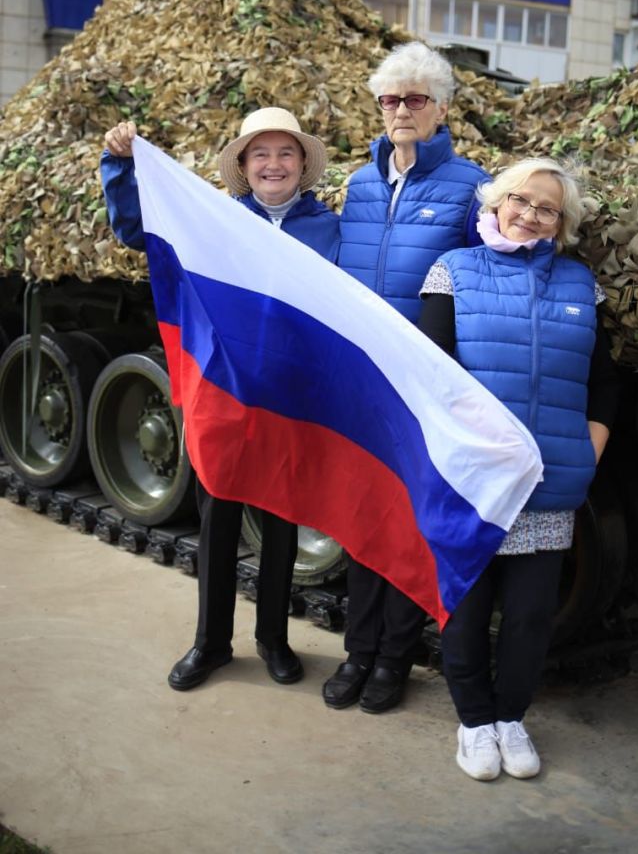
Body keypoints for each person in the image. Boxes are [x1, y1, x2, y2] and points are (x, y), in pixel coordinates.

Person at [100, 107, 339, 691]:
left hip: (291, 396)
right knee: (219, 521)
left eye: (285, 153)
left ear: (303, 164)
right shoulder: (212, 221)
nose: (273, 164)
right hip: (224, 394)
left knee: (281, 518)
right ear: (243, 167)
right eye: (260, 154)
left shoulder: (331, 227)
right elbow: (138, 231)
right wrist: (121, 165)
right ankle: (211, 643)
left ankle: (274, 639)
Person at [418, 157, 620, 781]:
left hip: (548, 482)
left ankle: (511, 718)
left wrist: (588, 449)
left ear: (561, 225)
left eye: (547, 208)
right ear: (495, 203)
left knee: (531, 617)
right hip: (475, 485)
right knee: (469, 612)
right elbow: (433, 376)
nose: (531, 214)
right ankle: (475, 724)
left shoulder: (579, 285)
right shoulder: (453, 272)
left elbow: (605, 382)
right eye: (521, 200)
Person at [322, 40, 491, 716]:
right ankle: (357, 653)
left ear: (442, 109)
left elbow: (483, 280)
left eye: (415, 99)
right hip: (365, 379)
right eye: (390, 99)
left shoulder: (470, 185)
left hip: (425, 384)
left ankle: (394, 659)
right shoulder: (359, 184)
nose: (400, 110)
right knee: (364, 521)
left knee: (411, 527)